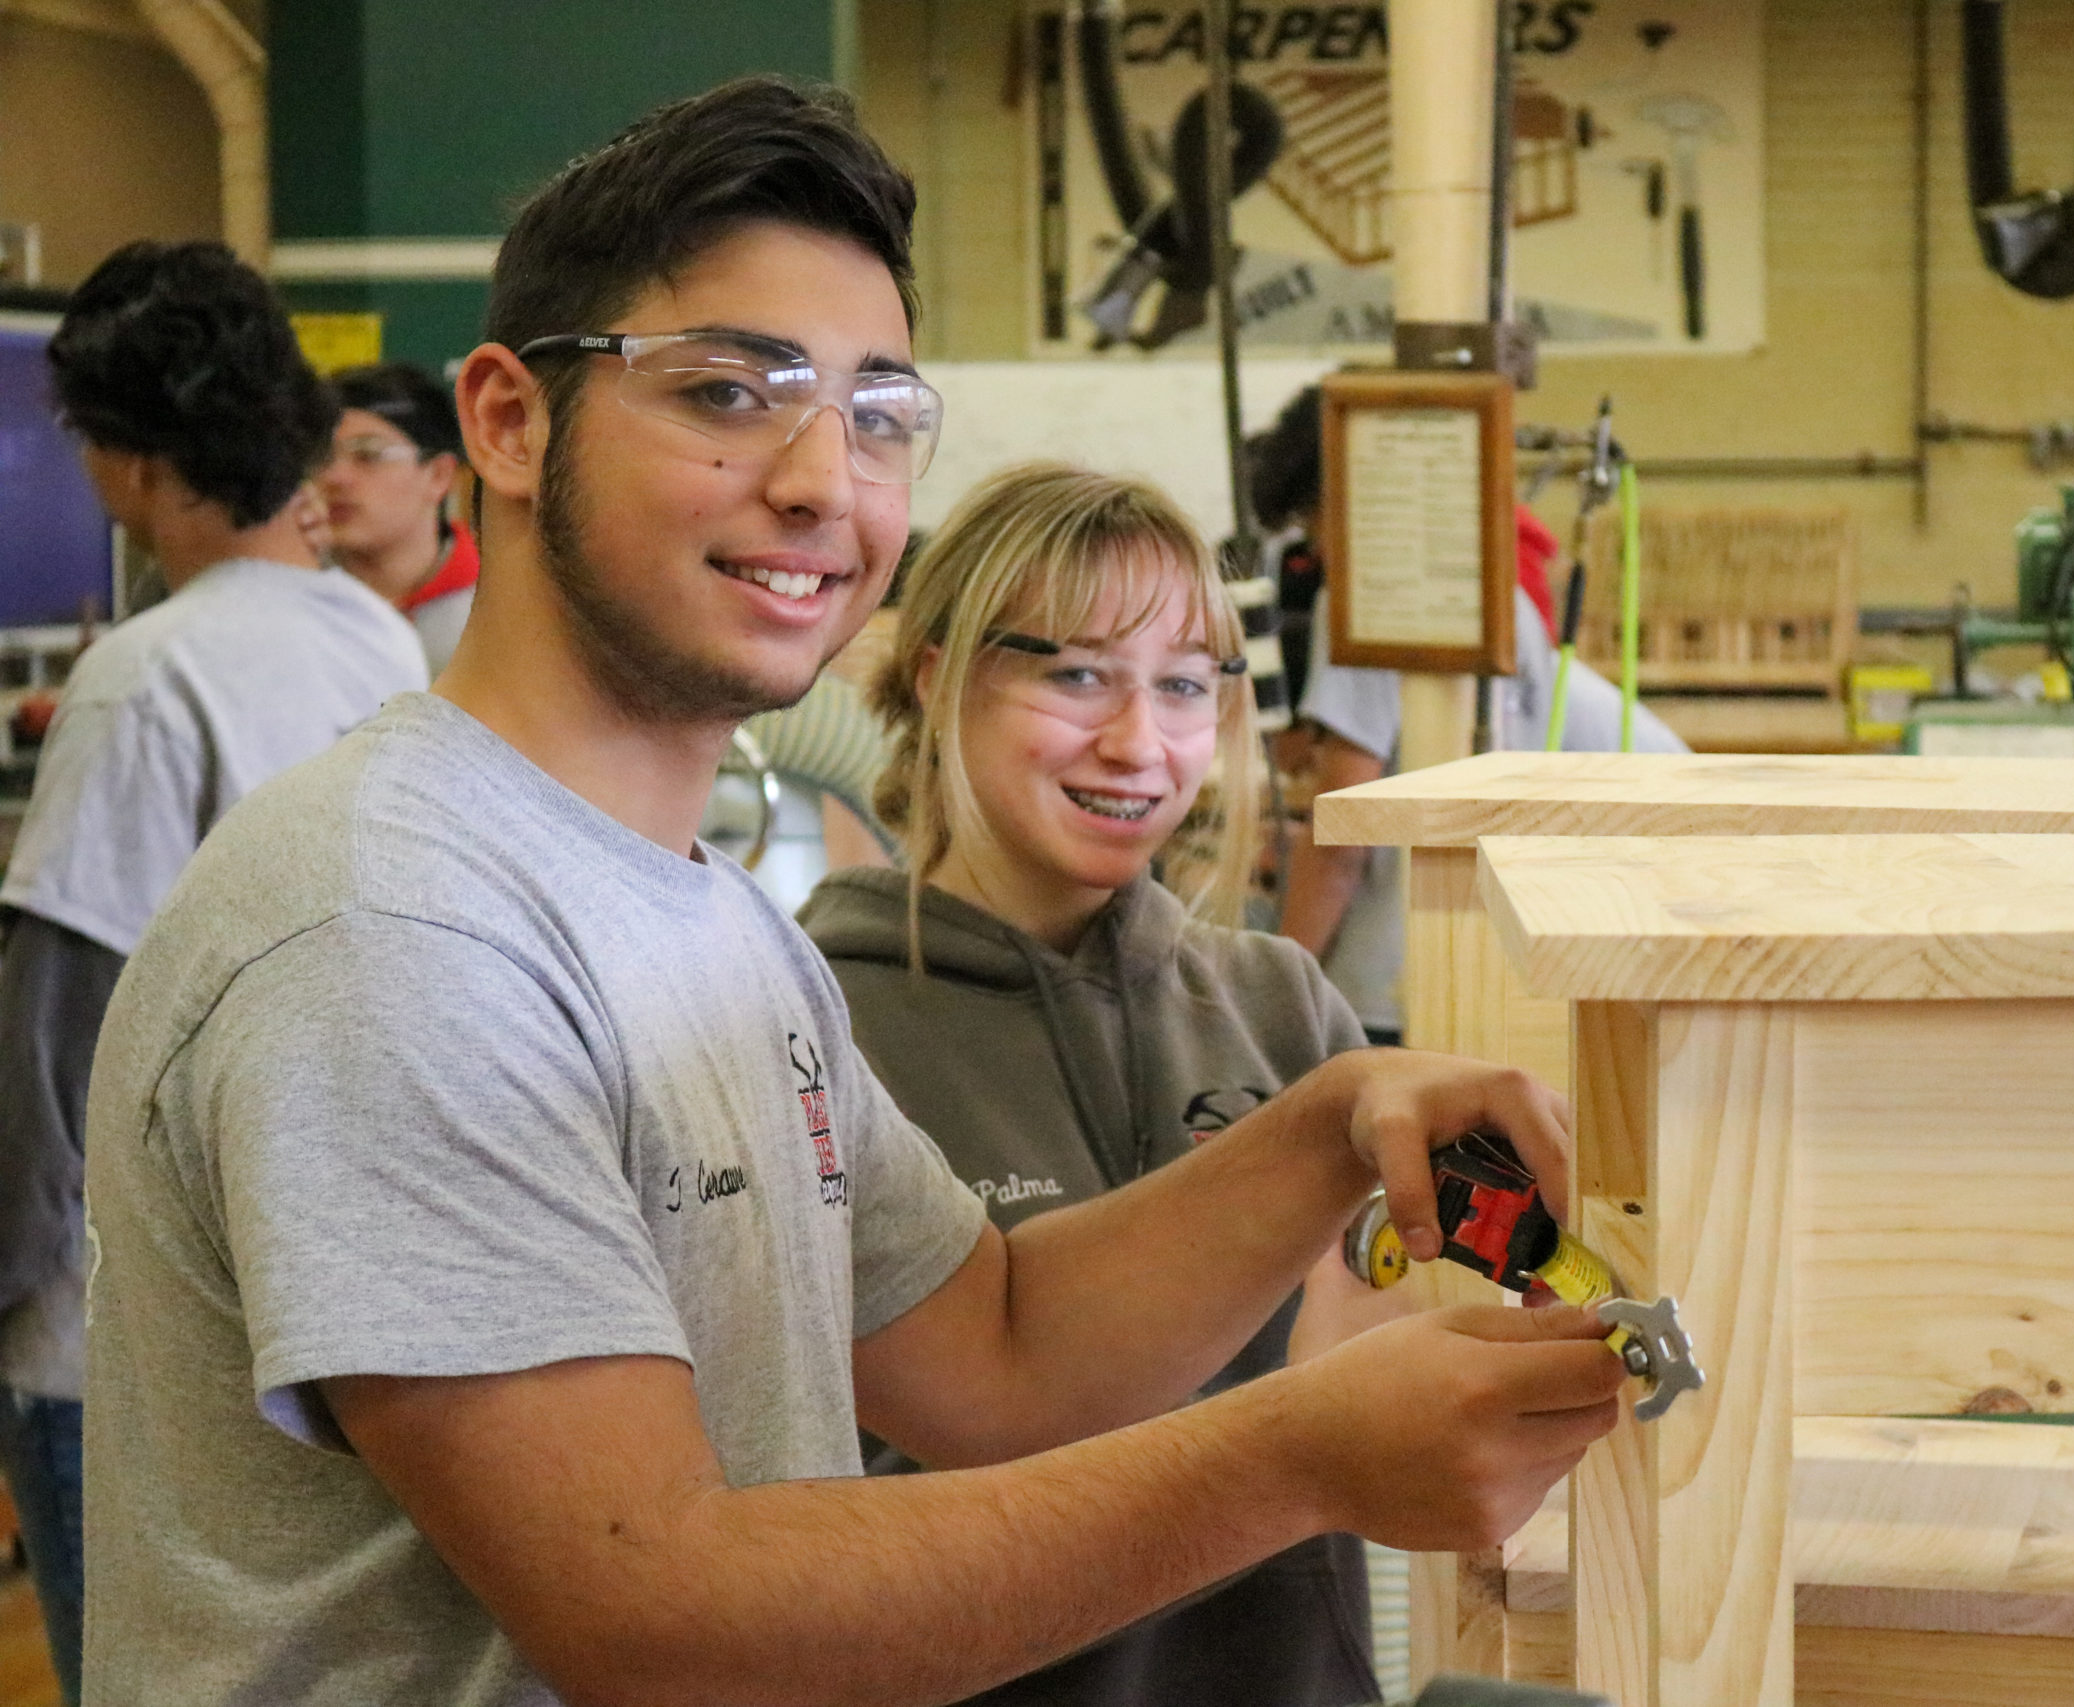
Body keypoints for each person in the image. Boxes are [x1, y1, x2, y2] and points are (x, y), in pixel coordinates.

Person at [80, 76, 1625, 1706]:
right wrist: (1296, 1460)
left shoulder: (717, 923)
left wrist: (1330, 1123)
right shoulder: (398, 936)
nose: (826, 479)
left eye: (879, 409)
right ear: (511, 423)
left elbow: (998, 1346)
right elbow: (660, 1622)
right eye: (731, 392)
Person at [801, 461, 1400, 1707]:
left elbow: (1375, 1389)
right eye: (1076, 675)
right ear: (938, 677)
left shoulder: (1280, 1005)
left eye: (1183, 686)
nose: (1139, 743)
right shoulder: (814, 1028)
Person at [0, 239, 429, 1703]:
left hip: (121, 1319)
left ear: (124, 461)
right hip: (333, 1286)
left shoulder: (146, 675)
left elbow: (59, 1032)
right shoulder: (377, 638)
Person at [1250, 385, 1689, 1043]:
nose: (1321, 557)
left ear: (1354, 496)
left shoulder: (1370, 596)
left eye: (1316, 529)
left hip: (1397, 988)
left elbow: (1345, 831)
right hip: (1521, 967)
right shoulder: (1492, 590)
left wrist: (1267, 1007)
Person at [317, 360, 479, 673]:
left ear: (438, 475)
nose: (335, 477)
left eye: (369, 455)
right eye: (321, 456)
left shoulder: (501, 608)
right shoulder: (289, 596)